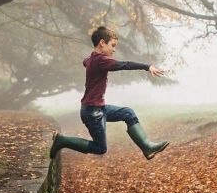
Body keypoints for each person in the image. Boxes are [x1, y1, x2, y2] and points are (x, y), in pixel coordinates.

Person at [50, 26, 170, 160]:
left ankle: (147, 147)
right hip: (93, 112)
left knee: (128, 113)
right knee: (100, 148)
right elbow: (124, 65)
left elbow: (85, 61)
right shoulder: (101, 60)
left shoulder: (91, 60)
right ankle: (62, 141)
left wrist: (90, 59)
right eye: (112, 45)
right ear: (102, 43)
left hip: (96, 108)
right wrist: (147, 66)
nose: (114, 49)